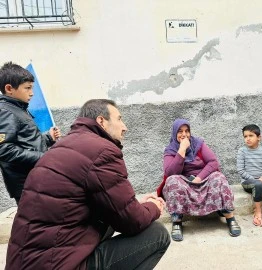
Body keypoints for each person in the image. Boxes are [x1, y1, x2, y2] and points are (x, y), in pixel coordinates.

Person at [6, 99, 170, 269]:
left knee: (105, 224)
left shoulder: (59, 147)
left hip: (25, 262)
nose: (124, 127)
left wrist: (137, 205)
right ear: (101, 121)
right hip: (58, 264)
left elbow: (107, 205)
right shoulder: (102, 151)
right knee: (157, 234)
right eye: (119, 119)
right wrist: (154, 206)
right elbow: (132, 222)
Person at [157, 118, 241, 241]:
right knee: (172, 182)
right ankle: (177, 222)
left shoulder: (198, 144)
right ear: (175, 133)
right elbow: (170, 173)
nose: (184, 134)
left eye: (187, 131)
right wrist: (182, 150)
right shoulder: (170, 150)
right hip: (185, 183)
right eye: (180, 131)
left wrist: (199, 177)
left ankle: (230, 217)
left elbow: (213, 162)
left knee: (219, 178)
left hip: (203, 180)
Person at [0, 61, 61, 204]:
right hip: (26, 183)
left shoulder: (18, 108)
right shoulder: (5, 111)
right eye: (27, 88)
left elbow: (27, 141)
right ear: (9, 88)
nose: (32, 93)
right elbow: (4, 149)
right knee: (34, 223)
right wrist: (44, 157)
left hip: (35, 179)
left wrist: (49, 138)